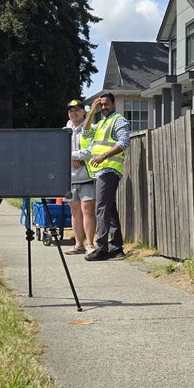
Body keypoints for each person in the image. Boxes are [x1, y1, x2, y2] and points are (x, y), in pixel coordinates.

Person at [82, 92, 130, 261]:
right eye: (101, 105)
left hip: (109, 170)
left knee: (101, 208)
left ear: (114, 103)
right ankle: (116, 247)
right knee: (109, 208)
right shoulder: (101, 122)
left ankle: (102, 249)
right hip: (99, 171)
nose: (103, 107)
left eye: (106, 104)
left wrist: (103, 156)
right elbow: (85, 133)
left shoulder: (119, 120)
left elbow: (124, 143)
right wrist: (92, 111)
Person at [65, 98, 96, 255]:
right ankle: (78, 244)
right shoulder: (64, 130)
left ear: (84, 112)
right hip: (70, 178)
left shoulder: (89, 128)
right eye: (71, 111)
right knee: (75, 212)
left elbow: (92, 150)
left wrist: (73, 156)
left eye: (76, 110)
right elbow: (58, 151)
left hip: (87, 177)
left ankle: (90, 244)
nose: (73, 113)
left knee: (88, 210)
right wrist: (73, 157)